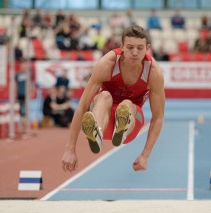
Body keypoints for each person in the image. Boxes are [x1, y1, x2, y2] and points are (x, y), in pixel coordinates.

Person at [62, 25, 165, 173]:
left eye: (139, 48)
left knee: (127, 104)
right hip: (103, 116)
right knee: (104, 96)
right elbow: (82, 105)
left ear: (147, 48)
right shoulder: (108, 63)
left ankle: (121, 127)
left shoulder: (154, 72)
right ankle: (96, 131)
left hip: (132, 124)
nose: (135, 53)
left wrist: (145, 156)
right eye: (130, 47)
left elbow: (158, 117)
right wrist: (70, 149)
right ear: (122, 46)